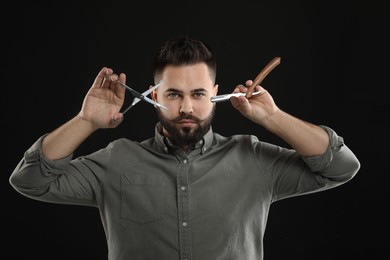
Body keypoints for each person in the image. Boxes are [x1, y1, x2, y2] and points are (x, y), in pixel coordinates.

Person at [9, 35, 360, 260]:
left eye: (198, 94)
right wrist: (85, 120)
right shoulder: (117, 161)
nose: (187, 108)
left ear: (217, 94)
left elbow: (341, 167)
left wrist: (272, 117)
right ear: (154, 95)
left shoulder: (253, 159)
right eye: (174, 94)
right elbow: (29, 181)